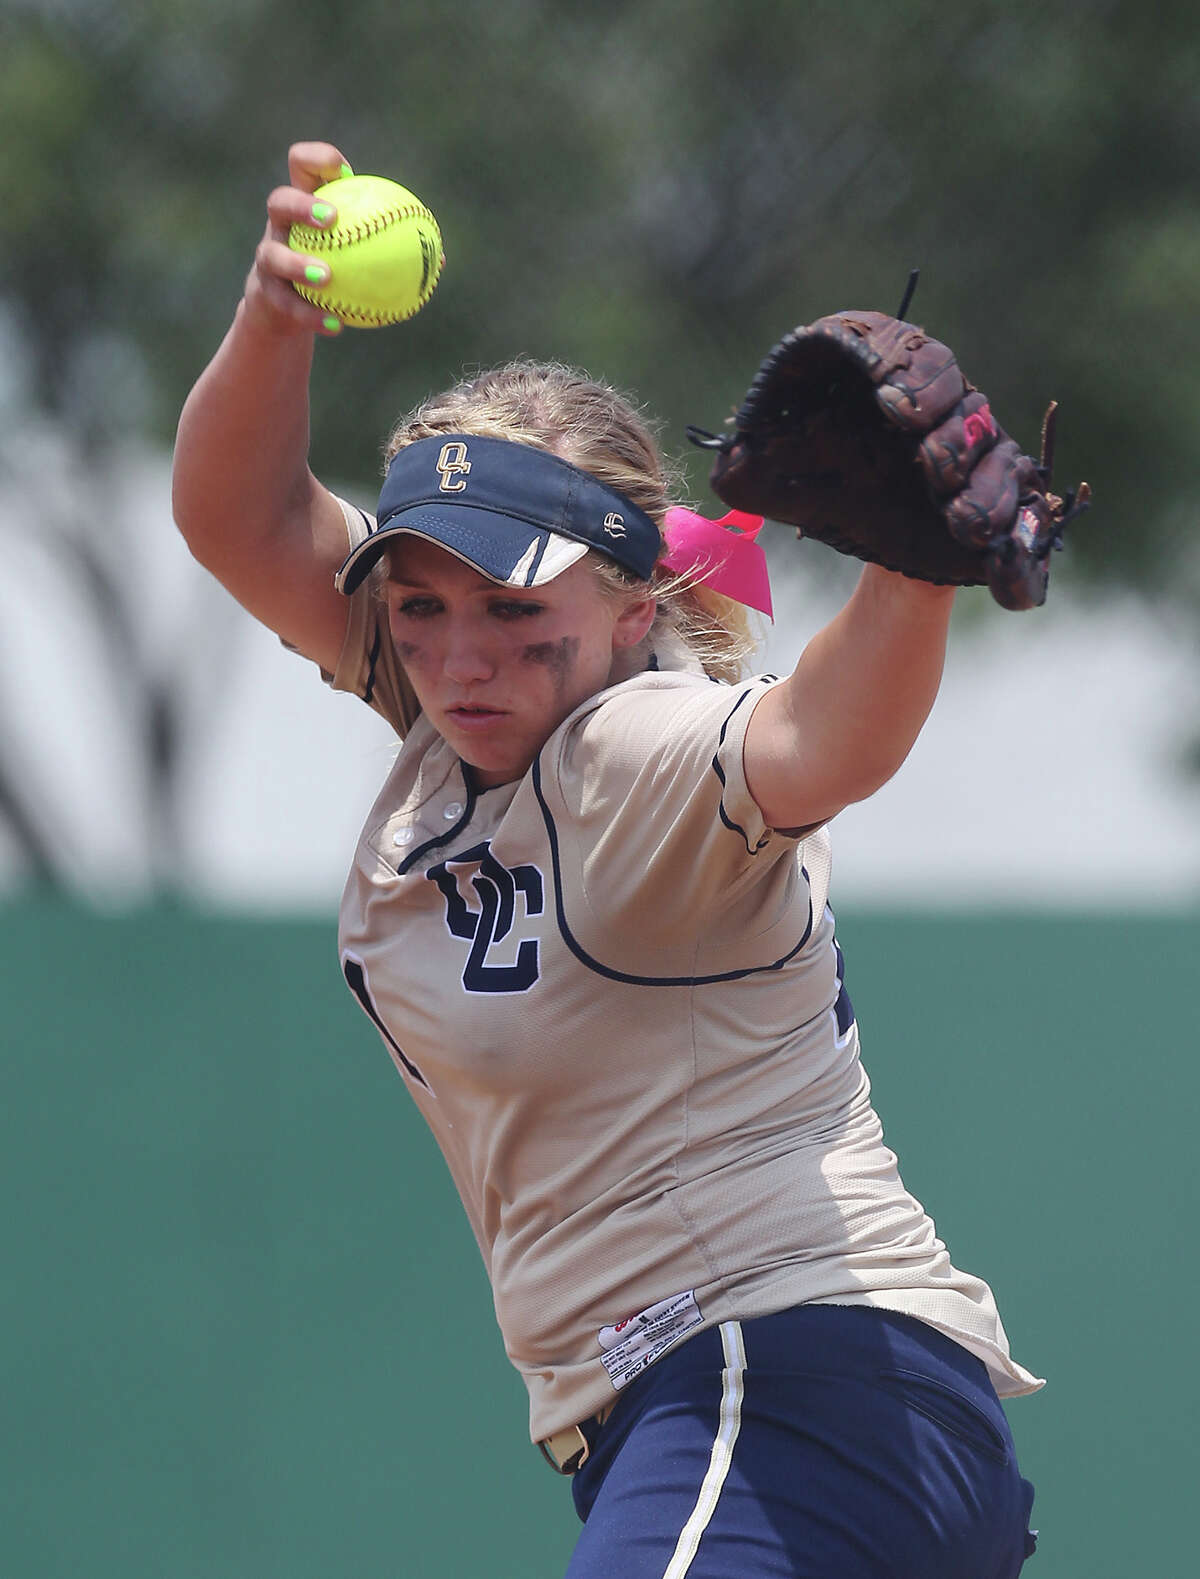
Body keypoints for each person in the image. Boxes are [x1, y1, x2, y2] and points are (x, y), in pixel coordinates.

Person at [173, 141, 1042, 1579]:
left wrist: (913, 574)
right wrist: (277, 313)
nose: (461, 653)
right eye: (424, 598)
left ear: (636, 610)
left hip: (786, 1391)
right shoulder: (463, 714)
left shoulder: (630, 756)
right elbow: (242, 522)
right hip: (742, 1421)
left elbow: (821, 743)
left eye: (518, 612)